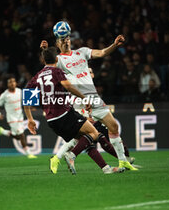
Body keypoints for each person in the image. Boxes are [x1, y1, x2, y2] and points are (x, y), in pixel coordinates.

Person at [40, 24, 137, 173]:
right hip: (80, 101)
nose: (66, 41)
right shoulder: (58, 60)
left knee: (113, 127)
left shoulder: (82, 52)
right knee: (89, 136)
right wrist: (44, 51)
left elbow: (102, 53)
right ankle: (66, 157)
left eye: (67, 39)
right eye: (62, 40)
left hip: (95, 98)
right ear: (57, 44)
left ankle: (123, 162)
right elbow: (47, 66)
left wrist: (114, 45)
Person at [24, 47, 124, 174]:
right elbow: (69, 87)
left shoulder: (36, 77)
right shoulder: (57, 71)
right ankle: (71, 155)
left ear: (43, 60)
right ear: (56, 59)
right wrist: (84, 98)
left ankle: (106, 168)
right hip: (64, 114)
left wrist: (30, 119)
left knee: (86, 140)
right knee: (94, 133)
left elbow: (26, 99)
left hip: (51, 120)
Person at [50, 68, 135, 174]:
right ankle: (121, 161)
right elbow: (74, 99)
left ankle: (59, 158)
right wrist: (85, 117)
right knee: (93, 137)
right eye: (87, 72)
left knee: (86, 141)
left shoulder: (90, 87)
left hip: (85, 113)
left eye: (91, 72)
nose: (89, 74)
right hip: (78, 113)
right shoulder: (80, 85)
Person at [0, 76, 37, 159]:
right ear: (7, 84)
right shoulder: (4, 95)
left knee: (18, 137)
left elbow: (25, 101)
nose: (12, 83)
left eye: (13, 81)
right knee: (21, 135)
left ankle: (3, 131)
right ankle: (28, 152)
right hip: (12, 118)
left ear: (16, 83)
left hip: (20, 116)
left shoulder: (19, 91)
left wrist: (31, 107)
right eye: (10, 82)